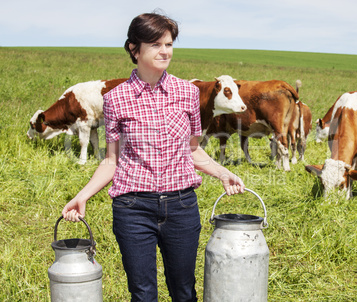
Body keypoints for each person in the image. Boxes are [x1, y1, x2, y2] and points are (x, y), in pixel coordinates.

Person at [62, 12, 245, 302]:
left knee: (184, 291)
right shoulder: (115, 98)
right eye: (156, 44)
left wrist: (222, 172)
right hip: (133, 208)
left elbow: (193, 149)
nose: (165, 51)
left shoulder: (187, 93)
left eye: (169, 44)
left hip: (182, 206)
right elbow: (112, 160)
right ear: (134, 49)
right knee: (143, 293)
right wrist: (82, 195)